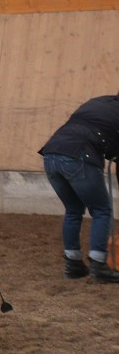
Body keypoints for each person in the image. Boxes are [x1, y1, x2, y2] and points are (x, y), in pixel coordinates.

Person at [38, 95, 119, 283]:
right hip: (79, 155)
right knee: (101, 209)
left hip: (50, 155)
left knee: (73, 210)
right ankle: (99, 265)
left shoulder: (99, 102)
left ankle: (73, 265)